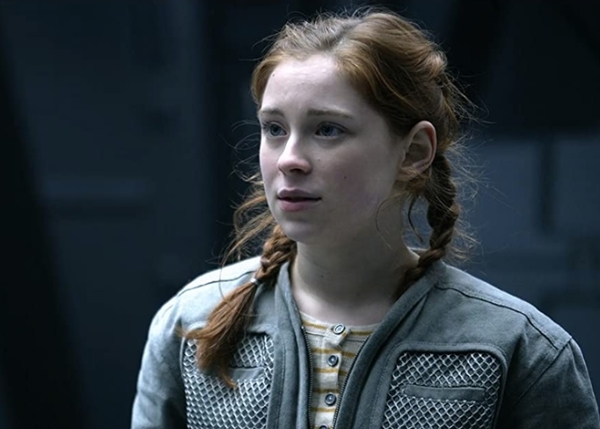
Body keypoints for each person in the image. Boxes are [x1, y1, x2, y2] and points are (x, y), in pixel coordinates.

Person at [131, 7, 600, 429]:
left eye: (327, 129)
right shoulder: (192, 324)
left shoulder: (519, 350)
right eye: (274, 128)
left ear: (413, 152)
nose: (289, 159)